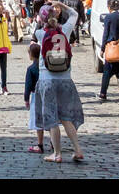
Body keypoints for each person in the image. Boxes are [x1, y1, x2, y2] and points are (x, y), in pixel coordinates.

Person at [34, 14, 85, 163]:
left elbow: (37, 30)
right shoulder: (66, 31)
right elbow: (74, 14)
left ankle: (57, 153)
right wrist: (60, 6)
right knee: (65, 118)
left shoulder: (40, 33)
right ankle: (78, 149)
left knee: (52, 119)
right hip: (65, 80)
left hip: (47, 80)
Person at [25, 42, 43, 153]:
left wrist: (26, 99)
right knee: (49, 120)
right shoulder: (45, 66)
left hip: (36, 95)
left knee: (38, 121)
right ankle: (52, 142)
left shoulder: (31, 68)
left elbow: (28, 85)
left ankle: (40, 144)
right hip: (47, 94)